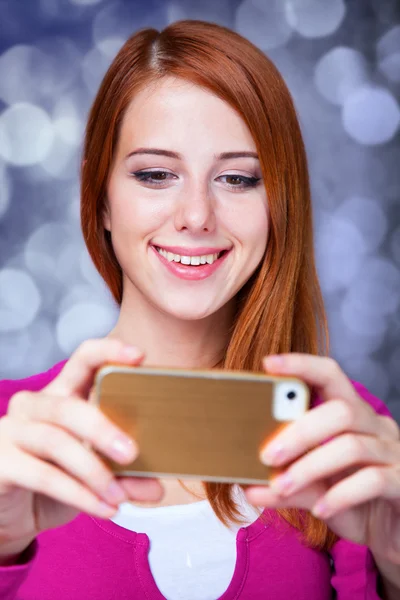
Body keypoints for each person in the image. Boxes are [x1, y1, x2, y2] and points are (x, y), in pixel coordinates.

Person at [0, 18, 399, 600]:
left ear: (278, 203)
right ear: (101, 199)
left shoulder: (341, 430)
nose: (196, 215)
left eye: (237, 178)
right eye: (156, 174)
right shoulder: (13, 429)